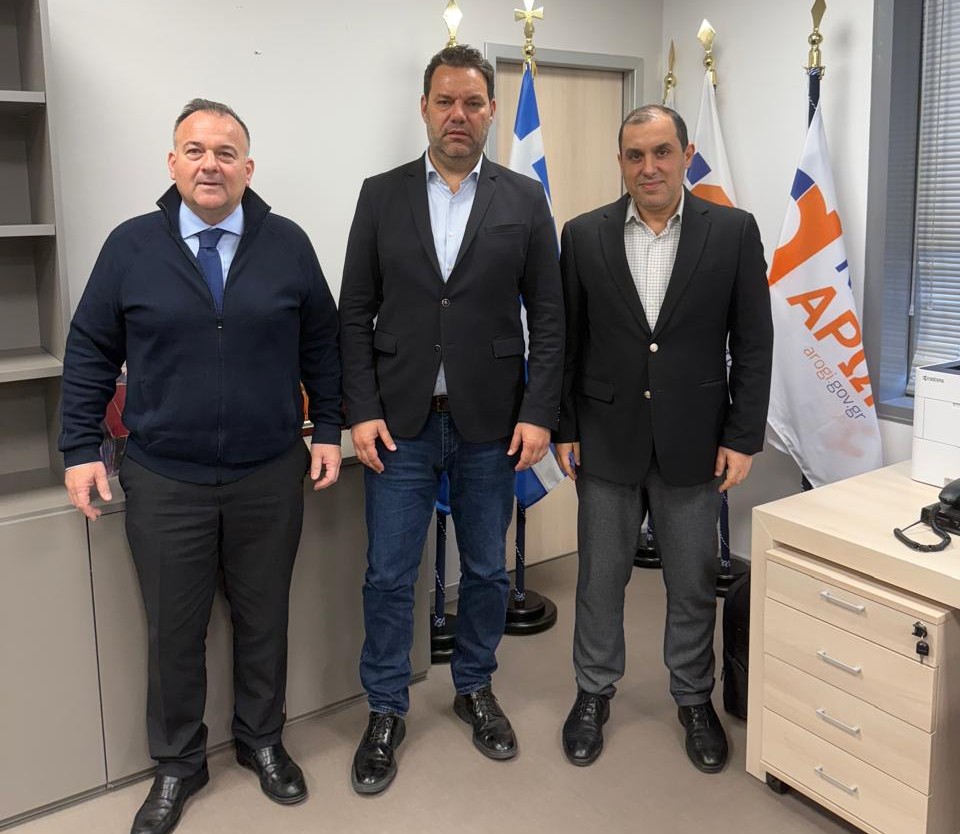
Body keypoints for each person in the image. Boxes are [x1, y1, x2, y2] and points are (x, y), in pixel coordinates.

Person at [60, 98, 342, 834]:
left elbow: (323, 344)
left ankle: (262, 740)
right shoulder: (131, 246)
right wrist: (78, 448)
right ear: (172, 163)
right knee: (173, 632)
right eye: (194, 150)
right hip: (165, 477)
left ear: (248, 167)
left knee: (264, 618)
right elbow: (90, 349)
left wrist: (328, 429)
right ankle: (179, 764)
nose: (209, 164)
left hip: (267, 474)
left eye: (224, 152)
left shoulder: (288, 244)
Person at [339, 44, 564, 795]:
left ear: (492, 111)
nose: (458, 115)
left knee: (489, 570)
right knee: (388, 575)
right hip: (398, 426)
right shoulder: (380, 195)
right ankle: (385, 708)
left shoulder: (523, 199)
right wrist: (360, 411)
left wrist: (539, 412)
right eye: (445, 101)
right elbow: (353, 313)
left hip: (492, 424)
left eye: (472, 102)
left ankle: (474, 686)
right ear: (425, 108)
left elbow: (550, 318)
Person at [554, 105, 772, 773]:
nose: (648, 167)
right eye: (635, 155)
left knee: (693, 581)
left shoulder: (732, 231)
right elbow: (567, 341)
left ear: (686, 154)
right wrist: (565, 426)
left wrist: (743, 435)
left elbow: (753, 342)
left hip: (696, 441)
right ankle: (593, 691)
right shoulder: (582, 235)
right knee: (599, 580)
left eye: (661, 152)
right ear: (620, 161)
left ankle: (693, 698)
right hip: (605, 438)